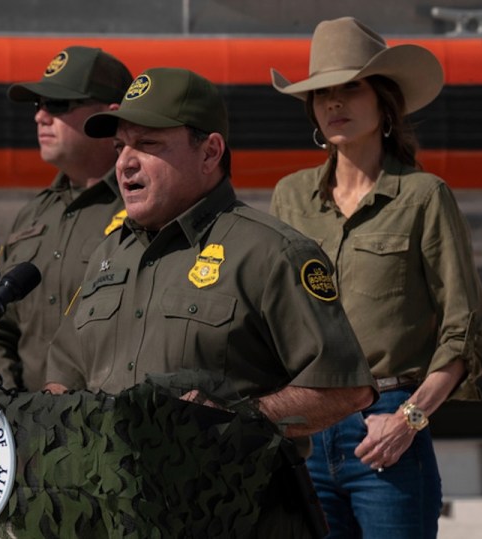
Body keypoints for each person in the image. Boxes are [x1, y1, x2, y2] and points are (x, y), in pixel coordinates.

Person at [42, 67, 377, 534]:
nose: (125, 163)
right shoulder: (106, 256)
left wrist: (241, 419)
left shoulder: (271, 252)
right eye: (121, 147)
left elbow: (346, 387)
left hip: (232, 517)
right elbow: (62, 378)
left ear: (210, 152)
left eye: (149, 145)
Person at [269, 17, 482, 538]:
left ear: (385, 103)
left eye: (351, 88)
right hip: (301, 427)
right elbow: (267, 316)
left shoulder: (423, 196)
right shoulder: (289, 198)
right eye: (323, 93)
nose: (334, 102)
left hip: (387, 425)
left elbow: (463, 332)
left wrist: (408, 421)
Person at [0, 46, 132, 392]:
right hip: (24, 431)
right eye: (39, 105)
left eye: (58, 104)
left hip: (104, 431)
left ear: (110, 118)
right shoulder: (32, 216)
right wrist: (5, 402)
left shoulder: (146, 211)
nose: (40, 116)